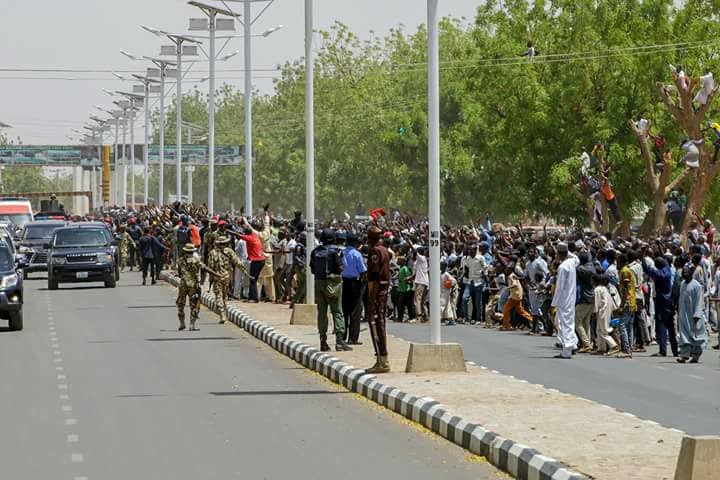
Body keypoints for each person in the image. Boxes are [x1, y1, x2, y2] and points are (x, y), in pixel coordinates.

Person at [310, 229, 352, 352]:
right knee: (337, 311)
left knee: (322, 312)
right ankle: (339, 341)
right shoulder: (336, 251)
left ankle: (323, 341)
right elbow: (340, 267)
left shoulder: (315, 251)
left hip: (319, 282)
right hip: (334, 282)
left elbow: (312, 269)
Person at [364, 226, 391, 374]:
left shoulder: (375, 251)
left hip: (377, 290)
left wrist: (370, 297)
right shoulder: (385, 250)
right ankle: (381, 359)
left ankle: (382, 359)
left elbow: (374, 277)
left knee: (376, 322)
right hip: (384, 289)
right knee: (380, 321)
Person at [176, 243, 218, 331]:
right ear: (192, 251)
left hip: (183, 284)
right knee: (194, 304)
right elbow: (205, 268)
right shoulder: (196, 260)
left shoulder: (180, 260)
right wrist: (216, 274)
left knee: (180, 304)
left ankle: (182, 323)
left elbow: (179, 273)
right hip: (193, 285)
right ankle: (192, 324)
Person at [207, 236, 248, 324]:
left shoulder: (212, 253)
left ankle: (222, 313)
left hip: (217, 276)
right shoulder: (229, 251)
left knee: (218, 295)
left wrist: (211, 278)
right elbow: (237, 262)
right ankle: (224, 312)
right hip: (227, 276)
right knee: (225, 295)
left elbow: (210, 267)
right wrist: (244, 271)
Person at [643, 256, 678, 357]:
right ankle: (675, 350)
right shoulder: (667, 269)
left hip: (661, 303)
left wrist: (642, 258)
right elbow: (665, 261)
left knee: (661, 327)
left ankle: (663, 350)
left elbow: (648, 269)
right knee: (671, 328)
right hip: (669, 302)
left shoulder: (660, 274)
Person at [551, 243, 579, 359]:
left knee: (565, 324)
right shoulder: (572, 262)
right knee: (569, 322)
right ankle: (572, 344)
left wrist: (554, 303)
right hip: (571, 298)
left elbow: (559, 287)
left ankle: (566, 350)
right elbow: (576, 258)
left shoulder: (563, 267)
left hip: (564, 299)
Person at [677, 263, 709, 363]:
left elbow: (699, 301)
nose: (684, 273)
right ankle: (684, 355)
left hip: (694, 316)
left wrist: (697, 315)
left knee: (696, 336)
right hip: (683, 314)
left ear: (691, 273)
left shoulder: (697, 286)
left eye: (686, 271)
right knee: (683, 335)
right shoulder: (682, 284)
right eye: (683, 271)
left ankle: (696, 356)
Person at [341, 233, 366, 345]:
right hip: (355, 283)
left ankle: (342, 336)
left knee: (344, 311)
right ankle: (353, 338)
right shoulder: (357, 254)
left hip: (343, 283)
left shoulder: (341, 253)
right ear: (355, 243)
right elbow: (363, 271)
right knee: (355, 311)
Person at [592, 273, 620, 355]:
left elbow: (596, 302)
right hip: (606, 310)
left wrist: (594, 312)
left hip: (602, 311)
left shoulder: (597, 289)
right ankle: (601, 348)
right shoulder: (604, 288)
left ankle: (614, 345)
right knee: (599, 329)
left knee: (604, 330)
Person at [502, 266, 533, 331]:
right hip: (517, 295)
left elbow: (515, 284)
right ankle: (532, 319)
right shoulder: (513, 275)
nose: (505, 270)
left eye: (507, 269)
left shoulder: (511, 276)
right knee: (520, 310)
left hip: (515, 296)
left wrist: (508, 288)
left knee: (506, 309)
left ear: (510, 270)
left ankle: (506, 325)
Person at [412, 247, 429, 322]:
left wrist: (408, 241)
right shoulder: (420, 261)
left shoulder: (422, 258)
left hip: (420, 282)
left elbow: (414, 250)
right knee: (422, 301)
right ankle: (425, 316)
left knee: (417, 300)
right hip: (424, 282)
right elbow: (415, 274)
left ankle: (419, 316)